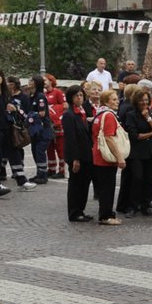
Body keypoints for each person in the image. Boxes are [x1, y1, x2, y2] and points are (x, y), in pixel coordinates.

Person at [116, 87, 152, 217]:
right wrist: (150, 133)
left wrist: (148, 118)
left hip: (150, 152)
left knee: (148, 179)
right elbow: (134, 135)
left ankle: (146, 205)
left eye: (147, 100)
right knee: (137, 178)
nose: (145, 103)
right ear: (136, 101)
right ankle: (132, 206)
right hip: (136, 152)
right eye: (142, 100)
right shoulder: (131, 115)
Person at [89, 86, 126, 224]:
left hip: (98, 155)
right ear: (107, 102)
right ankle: (106, 216)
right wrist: (120, 157)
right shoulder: (109, 115)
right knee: (107, 188)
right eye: (114, 99)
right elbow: (109, 138)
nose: (117, 102)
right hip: (106, 157)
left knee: (104, 186)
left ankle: (107, 213)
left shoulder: (99, 114)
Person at [61, 85, 95, 222]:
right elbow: (71, 138)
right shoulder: (68, 115)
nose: (79, 98)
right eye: (76, 96)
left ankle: (81, 209)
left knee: (85, 183)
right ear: (71, 98)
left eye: (81, 95)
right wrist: (75, 159)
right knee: (76, 184)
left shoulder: (83, 111)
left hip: (87, 153)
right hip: (77, 154)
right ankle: (74, 212)